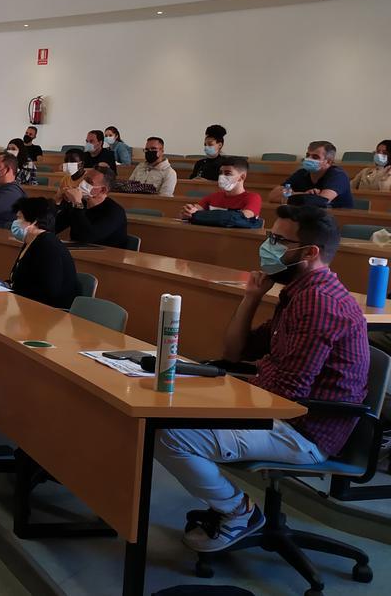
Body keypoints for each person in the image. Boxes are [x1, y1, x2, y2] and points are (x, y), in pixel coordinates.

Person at [156, 205, 368, 552]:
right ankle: (234, 510)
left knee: (168, 433)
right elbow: (238, 352)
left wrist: (224, 388)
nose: (267, 246)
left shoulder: (318, 301)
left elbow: (286, 393)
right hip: (285, 412)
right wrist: (251, 297)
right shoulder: (300, 292)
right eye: (269, 236)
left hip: (305, 430)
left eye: (278, 240)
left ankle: (240, 513)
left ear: (310, 252)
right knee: (174, 411)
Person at [7, 197, 79, 310]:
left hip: (50, 312)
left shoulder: (48, 246)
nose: (15, 222)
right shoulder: (31, 241)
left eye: (19, 218)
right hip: (28, 304)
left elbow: (49, 291)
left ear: (34, 221)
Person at [54, 167, 128, 249]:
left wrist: (77, 203)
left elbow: (87, 237)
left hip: (107, 257)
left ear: (103, 190)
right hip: (78, 254)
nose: (82, 183)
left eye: (89, 182)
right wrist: (57, 201)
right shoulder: (79, 204)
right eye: (84, 179)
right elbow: (52, 226)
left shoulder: (115, 212)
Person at [268, 140, 353, 208]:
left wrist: (289, 196)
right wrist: (304, 194)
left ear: (328, 162)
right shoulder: (301, 173)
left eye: (315, 157)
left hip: (335, 220)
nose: (308, 159)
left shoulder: (338, 175)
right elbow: (273, 196)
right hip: (308, 216)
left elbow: (320, 201)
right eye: (308, 155)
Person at [181, 157, 263, 220]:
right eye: (220, 173)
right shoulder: (213, 197)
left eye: (227, 173)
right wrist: (188, 212)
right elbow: (194, 211)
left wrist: (202, 214)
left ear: (242, 177)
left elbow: (242, 217)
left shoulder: (253, 198)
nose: (222, 176)